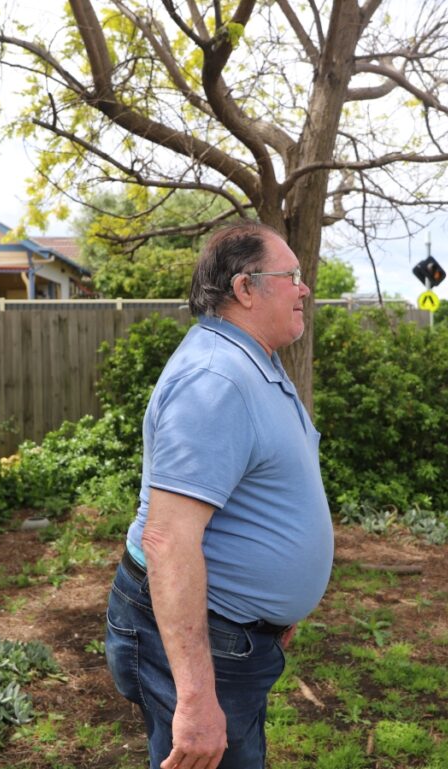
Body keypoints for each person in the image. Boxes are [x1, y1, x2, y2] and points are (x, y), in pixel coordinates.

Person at [104, 220, 334, 769]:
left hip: (235, 630)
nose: (304, 288)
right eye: (291, 276)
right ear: (245, 289)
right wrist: (196, 700)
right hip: (203, 633)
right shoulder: (216, 380)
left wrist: (275, 607)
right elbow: (167, 539)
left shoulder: (254, 363)